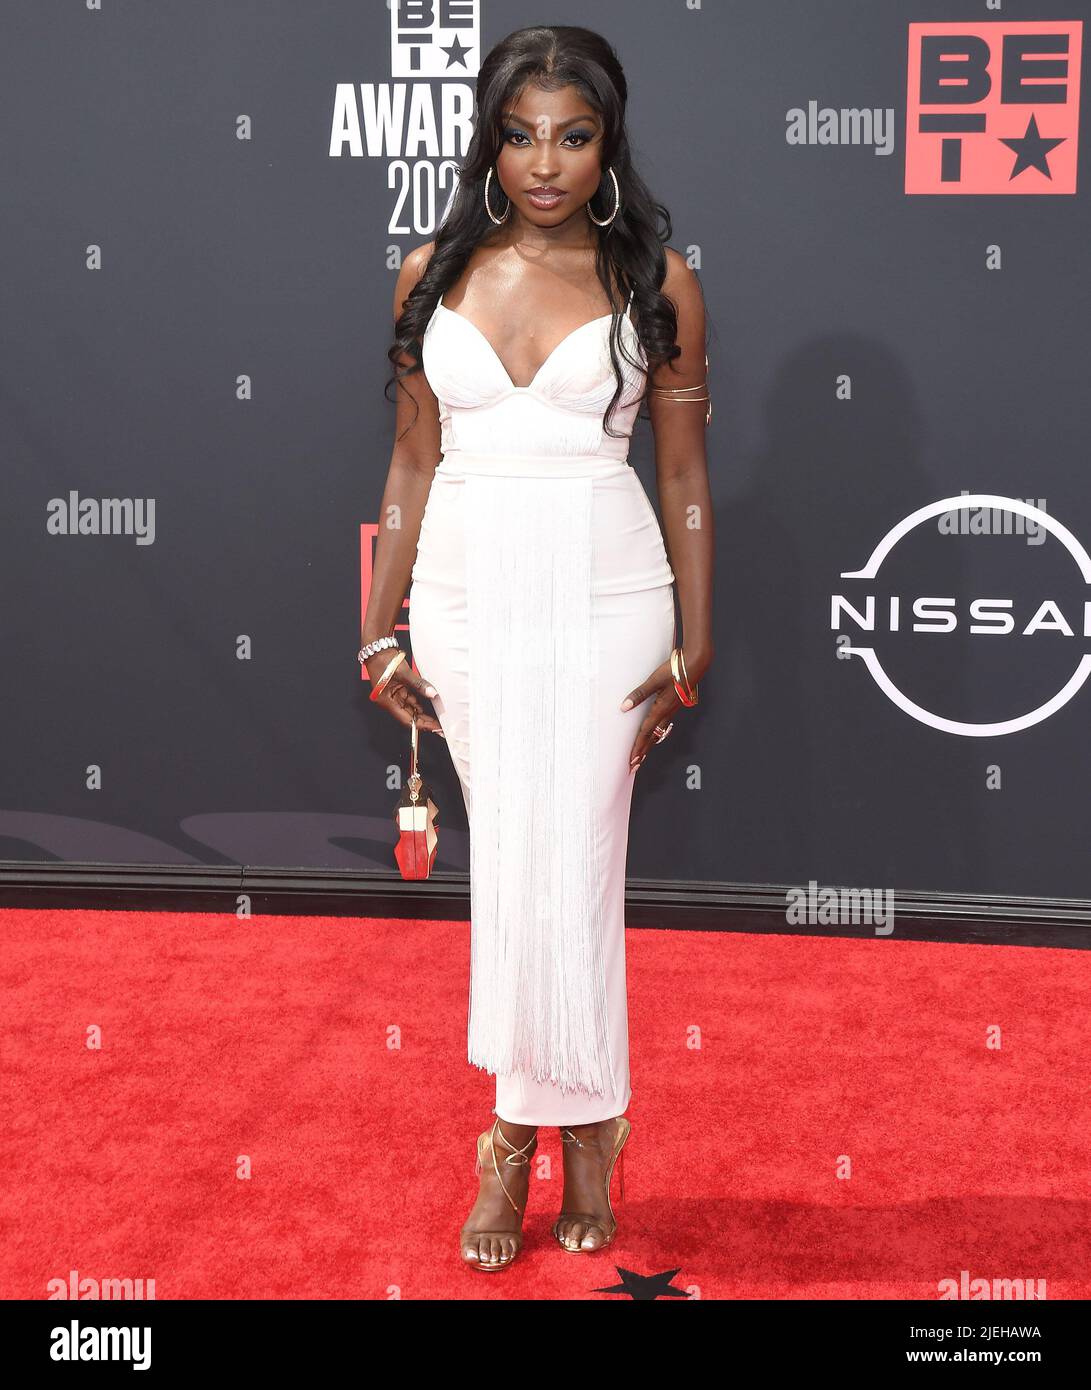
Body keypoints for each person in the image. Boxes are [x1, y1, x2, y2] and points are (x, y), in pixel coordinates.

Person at [359, 24, 714, 1272]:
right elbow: (411, 460)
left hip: (608, 591)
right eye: (520, 136)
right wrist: (377, 621)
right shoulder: (426, 275)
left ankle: (527, 1140)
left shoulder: (656, 282)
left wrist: (693, 641)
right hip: (464, 596)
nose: (544, 162)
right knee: (508, 868)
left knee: (571, 863)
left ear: (608, 142)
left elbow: (681, 478)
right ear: (488, 141)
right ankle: (575, 1127)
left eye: (572, 136)